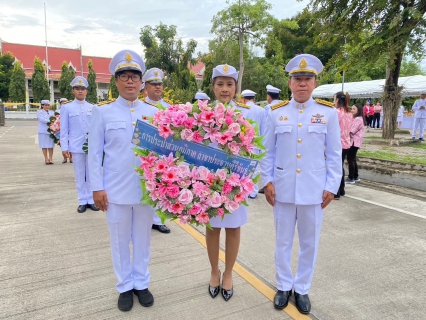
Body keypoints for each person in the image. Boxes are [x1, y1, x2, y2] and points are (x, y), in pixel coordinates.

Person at [261, 54, 342, 314]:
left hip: (315, 190)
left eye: (307, 79)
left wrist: (332, 185)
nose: (302, 84)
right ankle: (283, 285)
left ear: (315, 82)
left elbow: (334, 153)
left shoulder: (327, 113)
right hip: (282, 189)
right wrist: (267, 181)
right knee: (282, 242)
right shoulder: (275, 113)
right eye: (298, 79)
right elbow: (267, 151)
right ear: (290, 82)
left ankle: (303, 288)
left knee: (310, 243)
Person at [89, 50, 157, 312]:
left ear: (142, 82)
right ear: (115, 81)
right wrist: (96, 188)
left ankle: (141, 282)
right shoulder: (103, 112)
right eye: (124, 76)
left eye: (135, 77)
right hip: (114, 190)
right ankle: (124, 286)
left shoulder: (154, 111)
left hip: (146, 189)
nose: (130, 82)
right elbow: (94, 153)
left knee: (142, 239)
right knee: (119, 240)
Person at [206, 64, 250, 302]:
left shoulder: (248, 114)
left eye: (229, 84)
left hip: (236, 183)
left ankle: (229, 273)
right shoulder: (200, 114)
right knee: (212, 229)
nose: (225, 89)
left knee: (233, 228)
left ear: (236, 87)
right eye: (220, 84)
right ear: (212, 87)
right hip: (208, 183)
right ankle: (214, 271)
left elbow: (257, 151)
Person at [60, 76, 99, 213]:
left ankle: (91, 200)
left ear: (86, 91)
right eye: (77, 89)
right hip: (76, 146)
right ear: (73, 91)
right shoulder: (67, 108)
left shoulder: (93, 107)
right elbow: (64, 130)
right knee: (79, 174)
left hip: (91, 146)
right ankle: (82, 200)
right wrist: (64, 147)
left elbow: (96, 128)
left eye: (83, 89)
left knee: (91, 174)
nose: (80, 91)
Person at [140, 68, 172, 234]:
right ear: (145, 87)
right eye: (153, 84)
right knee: (146, 187)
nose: (157, 87)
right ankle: (145, 218)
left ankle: (158, 220)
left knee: (163, 187)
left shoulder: (170, 108)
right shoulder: (140, 107)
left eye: (159, 83)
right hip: (145, 154)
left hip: (164, 154)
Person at [241, 89, 265, 199]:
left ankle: (244, 189)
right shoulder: (261, 110)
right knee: (255, 167)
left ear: (243, 99)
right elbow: (263, 128)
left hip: (243, 142)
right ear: (254, 98)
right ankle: (253, 191)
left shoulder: (242, 109)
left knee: (244, 166)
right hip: (256, 141)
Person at [334, 91, 353, 200]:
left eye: (334, 99)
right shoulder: (349, 113)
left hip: (338, 143)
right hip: (346, 143)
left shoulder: (336, 112)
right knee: (339, 166)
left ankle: (336, 192)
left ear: (337, 100)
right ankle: (341, 189)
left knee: (336, 167)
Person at [345, 104, 365, 184]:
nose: (352, 110)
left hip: (353, 141)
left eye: (354, 109)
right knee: (353, 159)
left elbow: (351, 131)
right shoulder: (359, 118)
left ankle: (351, 177)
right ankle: (355, 176)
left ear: (358, 110)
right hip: (356, 141)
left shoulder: (357, 119)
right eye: (351, 108)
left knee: (350, 159)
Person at [37, 100, 55, 165]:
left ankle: (50, 158)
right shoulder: (39, 112)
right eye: (45, 105)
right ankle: (46, 158)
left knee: (51, 145)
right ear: (42, 105)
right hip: (43, 131)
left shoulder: (52, 112)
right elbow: (42, 120)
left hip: (51, 131)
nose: (47, 106)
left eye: (48, 105)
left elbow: (55, 119)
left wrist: (54, 121)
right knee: (44, 145)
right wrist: (51, 121)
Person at [58, 98, 73, 163]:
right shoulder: (57, 111)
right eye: (62, 102)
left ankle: (71, 157)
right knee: (63, 144)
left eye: (65, 102)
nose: (63, 103)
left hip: (70, 130)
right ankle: (65, 158)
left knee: (71, 144)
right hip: (59, 130)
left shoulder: (70, 109)